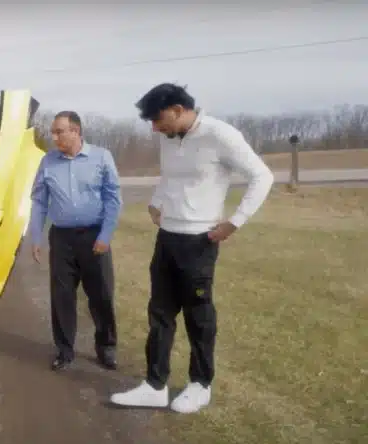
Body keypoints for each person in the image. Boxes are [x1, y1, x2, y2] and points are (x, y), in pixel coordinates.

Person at [110, 83, 274, 413]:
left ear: (177, 110)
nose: (155, 128)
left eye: (158, 120)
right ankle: (155, 386)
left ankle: (200, 384)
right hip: (167, 238)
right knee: (159, 313)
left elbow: (262, 176)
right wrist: (156, 202)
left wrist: (235, 221)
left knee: (198, 316)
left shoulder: (220, 135)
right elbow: (170, 178)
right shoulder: (167, 139)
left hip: (199, 242)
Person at [26, 111, 122, 372]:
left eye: (59, 131)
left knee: (101, 295)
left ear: (76, 131)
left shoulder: (102, 157)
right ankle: (64, 350)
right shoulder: (48, 162)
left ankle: (106, 348)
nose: (54, 137)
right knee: (62, 297)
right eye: (53, 132)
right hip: (62, 240)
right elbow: (39, 201)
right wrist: (36, 236)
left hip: (94, 237)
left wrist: (105, 236)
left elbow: (113, 199)